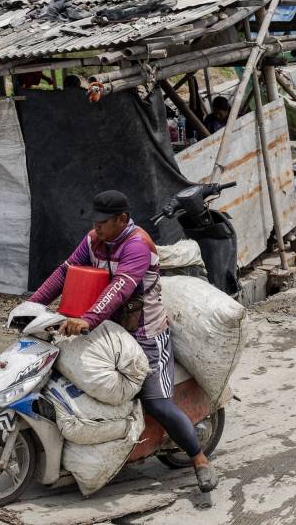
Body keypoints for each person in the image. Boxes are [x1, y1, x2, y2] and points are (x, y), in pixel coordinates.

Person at [25, 190, 218, 492]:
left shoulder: (137, 245)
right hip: (110, 332)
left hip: (146, 335)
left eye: (104, 222)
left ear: (122, 219)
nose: (97, 227)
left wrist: (87, 319)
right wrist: (32, 306)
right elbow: (65, 272)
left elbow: (120, 289)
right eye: (95, 221)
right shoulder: (94, 241)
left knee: (157, 403)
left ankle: (199, 460)